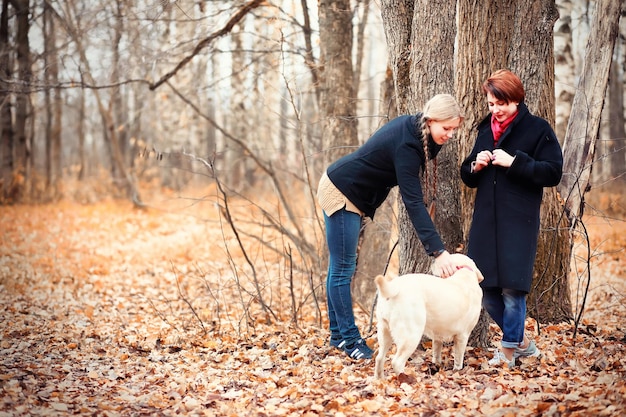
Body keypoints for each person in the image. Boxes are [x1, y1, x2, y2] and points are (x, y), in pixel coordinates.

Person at [317, 93, 464, 361]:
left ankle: (338, 336)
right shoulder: (408, 146)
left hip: (352, 192)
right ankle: (349, 340)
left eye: (454, 129)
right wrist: (438, 251)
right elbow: (413, 202)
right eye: (446, 128)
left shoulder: (420, 133)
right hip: (340, 190)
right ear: (430, 121)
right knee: (343, 268)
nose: (451, 135)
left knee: (340, 267)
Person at [460, 70, 563, 367]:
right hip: (485, 223)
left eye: (501, 103)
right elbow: (467, 176)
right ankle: (524, 345)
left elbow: (552, 172)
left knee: (513, 289)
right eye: (492, 104)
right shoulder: (484, 131)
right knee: (485, 289)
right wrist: (474, 166)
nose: (496, 110)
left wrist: (516, 162)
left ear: (516, 99)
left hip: (518, 221)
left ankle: (507, 352)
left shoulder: (537, 129)